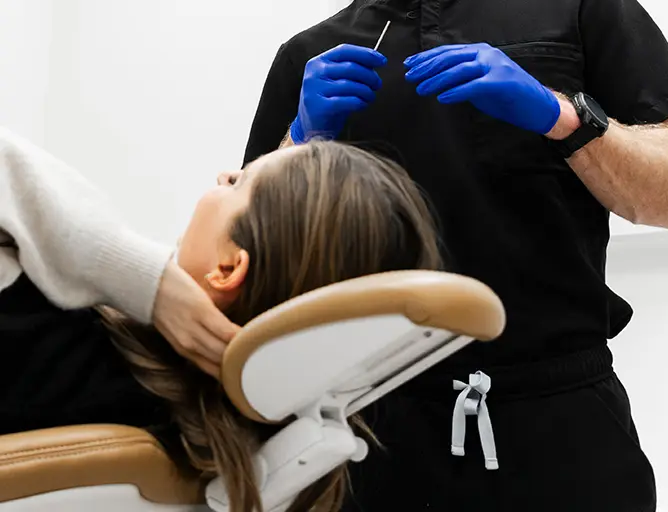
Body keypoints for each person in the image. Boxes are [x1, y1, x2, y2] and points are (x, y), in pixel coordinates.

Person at [241, 0, 668, 511]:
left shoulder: (578, 0)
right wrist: (300, 141)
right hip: (374, 439)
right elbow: (245, 269)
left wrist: (562, 116)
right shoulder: (307, 59)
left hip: (562, 427)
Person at [0, 124, 442, 512]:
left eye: (238, 183)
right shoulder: (219, 446)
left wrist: (140, 275)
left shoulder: (40, 332)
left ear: (229, 268)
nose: (221, 177)